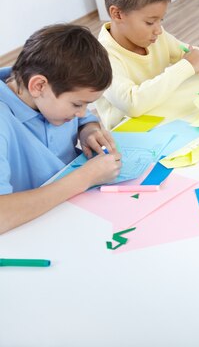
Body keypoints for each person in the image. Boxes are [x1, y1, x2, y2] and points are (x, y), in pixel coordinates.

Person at [0, 24, 121, 234]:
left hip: (75, 213)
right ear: (38, 86)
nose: (82, 113)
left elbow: (85, 118)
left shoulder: (48, 94)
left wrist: (89, 130)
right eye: (77, 105)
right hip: (31, 231)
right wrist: (85, 178)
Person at [95, 0, 199, 129]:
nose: (158, 30)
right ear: (117, 14)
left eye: (161, 20)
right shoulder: (100, 57)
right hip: (130, 136)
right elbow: (132, 104)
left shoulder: (155, 37)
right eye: (150, 22)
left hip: (164, 121)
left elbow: (193, 53)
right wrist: (187, 66)